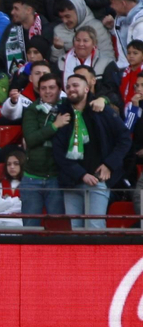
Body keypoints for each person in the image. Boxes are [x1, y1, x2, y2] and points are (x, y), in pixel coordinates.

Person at [52, 70, 126, 228]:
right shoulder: (62, 114)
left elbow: (124, 138)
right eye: (68, 86)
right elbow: (58, 151)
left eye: (76, 85)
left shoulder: (101, 110)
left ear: (87, 89)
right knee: (75, 230)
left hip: (97, 180)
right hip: (71, 181)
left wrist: (109, 164)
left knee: (95, 227)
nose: (71, 89)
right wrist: (81, 174)